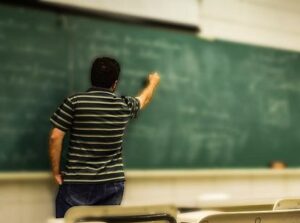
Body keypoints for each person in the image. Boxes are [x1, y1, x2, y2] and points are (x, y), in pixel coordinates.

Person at [48, 57, 160, 218]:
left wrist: (56, 172)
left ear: (92, 78)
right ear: (114, 84)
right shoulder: (124, 105)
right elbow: (144, 99)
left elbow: (55, 137)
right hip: (112, 182)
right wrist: (153, 82)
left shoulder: (74, 102)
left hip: (78, 181)